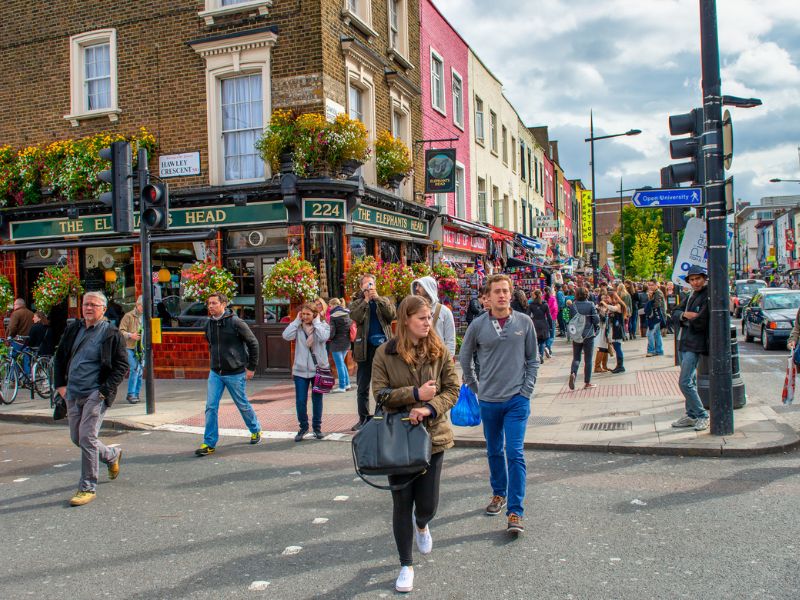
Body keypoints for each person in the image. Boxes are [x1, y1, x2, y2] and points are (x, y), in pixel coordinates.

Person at [370, 295, 460, 594]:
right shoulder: (385, 353)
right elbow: (380, 395)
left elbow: (452, 389)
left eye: (428, 318)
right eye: (422, 318)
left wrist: (429, 407)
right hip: (398, 438)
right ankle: (405, 564)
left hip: (432, 437)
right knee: (401, 503)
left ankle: (422, 524)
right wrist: (414, 394)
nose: (427, 322)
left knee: (427, 505)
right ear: (406, 319)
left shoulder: (439, 350)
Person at [459, 274, 538, 535]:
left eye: (506, 291)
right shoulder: (478, 325)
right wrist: (474, 386)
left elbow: (533, 359)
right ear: (488, 296)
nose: (502, 295)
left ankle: (515, 511)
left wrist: (526, 391)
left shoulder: (524, 323)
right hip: (489, 401)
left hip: (517, 400)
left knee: (514, 453)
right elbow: (465, 356)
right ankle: (498, 493)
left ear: (511, 294)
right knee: (494, 450)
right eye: (497, 291)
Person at [53, 291, 128, 507]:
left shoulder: (111, 333)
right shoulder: (73, 328)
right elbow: (61, 356)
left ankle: (87, 487)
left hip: (95, 393)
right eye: (86, 304)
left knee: (87, 437)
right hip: (72, 392)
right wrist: (61, 386)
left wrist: (104, 391)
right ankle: (112, 455)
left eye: (94, 305)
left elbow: (122, 366)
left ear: (103, 309)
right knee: (78, 438)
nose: (88, 308)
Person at [195, 292, 262, 456]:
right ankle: (209, 443)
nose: (210, 306)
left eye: (214, 303)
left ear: (223, 304)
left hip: (235, 373)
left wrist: (251, 367)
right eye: (209, 303)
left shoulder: (236, 322)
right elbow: (210, 343)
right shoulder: (209, 324)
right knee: (211, 407)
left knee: (242, 404)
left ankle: (255, 429)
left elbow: (253, 343)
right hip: (215, 373)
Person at [349, 274, 396, 431]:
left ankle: (381, 416)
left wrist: (378, 300)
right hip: (364, 349)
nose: (369, 287)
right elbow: (356, 317)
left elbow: (391, 316)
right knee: (362, 386)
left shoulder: (384, 300)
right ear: (361, 287)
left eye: (371, 283)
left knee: (384, 384)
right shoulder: (357, 303)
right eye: (366, 284)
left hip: (383, 349)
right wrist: (366, 301)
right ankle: (363, 418)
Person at [282, 303, 331, 441]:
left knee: (317, 400)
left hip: (318, 369)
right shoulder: (297, 327)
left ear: (315, 315)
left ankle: (317, 428)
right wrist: (296, 321)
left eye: (308, 314)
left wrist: (316, 323)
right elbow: (286, 336)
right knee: (300, 401)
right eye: (303, 314)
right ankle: (303, 427)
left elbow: (323, 337)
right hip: (300, 370)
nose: (304, 317)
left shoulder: (323, 326)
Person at [671, 266, 711, 431]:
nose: (695, 282)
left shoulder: (707, 295)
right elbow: (674, 312)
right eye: (692, 280)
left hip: (694, 343)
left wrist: (683, 317)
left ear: (704, 278)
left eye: (698, 279)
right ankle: (691, 415)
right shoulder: (691, 295)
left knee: (685, 382)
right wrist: (685, 315)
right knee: (690, 381)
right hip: (684, 341)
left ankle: (702, 415)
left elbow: (701, 320)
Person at [411, 275, 456, 357]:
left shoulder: (444, 312)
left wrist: (447, 361)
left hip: (438, 359)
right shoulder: (413, 311)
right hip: (417, 358)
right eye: (416, 285)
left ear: (428, 287)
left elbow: (450, 340)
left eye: (420, 285)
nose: (416, 288)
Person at [567, 287, 600, 390]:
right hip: (588, 334)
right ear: (587, 294)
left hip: (577, 334)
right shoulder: (590, 304)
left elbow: (570, 319)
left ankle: (573, 373)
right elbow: (596, 319)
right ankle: (587, 382)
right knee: (588, 359)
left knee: (576, 358)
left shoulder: (573, 305)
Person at [119, 296, 144, 404]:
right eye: (142, 306)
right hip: (129, 347)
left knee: (140, 371)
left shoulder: (146, 317)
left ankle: (136, 393)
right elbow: (120, 331)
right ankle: (131, 394)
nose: (144, 308)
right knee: (134, 368)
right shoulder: (128, 316)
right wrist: (131, 335)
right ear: (137, 305)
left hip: (141, 348)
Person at [327, 298, 352, 393]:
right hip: (346, 342)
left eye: (330, 306)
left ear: (333, 305)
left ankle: (342, 386)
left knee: (339, 365)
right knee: (342, 364)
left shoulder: (333, 316)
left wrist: (327, 336)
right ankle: (347, 384)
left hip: (336, 343)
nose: (329, 308)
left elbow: (332, 333)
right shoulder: (347, 313)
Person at [528, 289, 552, 362]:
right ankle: (541, 354)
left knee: (536, 341)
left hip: (535, 323)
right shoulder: (545, 304)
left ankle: (538, 355)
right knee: (542, 341)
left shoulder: (531, 305)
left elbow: (527, 315)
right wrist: (550, 326)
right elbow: (549, 316)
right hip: (543, 324)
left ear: (535, 295)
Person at [607, 292, 628, 373]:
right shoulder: (618, 304)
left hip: (618, 329)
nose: (607, 299)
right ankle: (619, 365)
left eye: (608, 297)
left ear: (613, 298)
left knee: (617, 347)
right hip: (616, 328)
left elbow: (614, 309)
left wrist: (605, 304)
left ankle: (620, 366)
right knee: (616, 347)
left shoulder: (618, 305)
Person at [645, 280, 666, 357]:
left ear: (656, 285)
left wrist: (650, 299)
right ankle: (659, 350)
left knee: (649, 333)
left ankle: (652, 350)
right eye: (649, 285)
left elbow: (657, 305)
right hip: (656, 316)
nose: (650, 286)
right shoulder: (655, 292)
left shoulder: (658, 293)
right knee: (657, 333)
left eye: (652, 285)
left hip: (657, 316)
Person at [544, 286, 558, 357]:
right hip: (552, 318)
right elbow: (555, 308)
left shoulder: (542, 298)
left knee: (546, 335)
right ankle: (547, 346)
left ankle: (548, 350)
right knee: (552, 335)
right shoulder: (553, 298)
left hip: (544, 318)